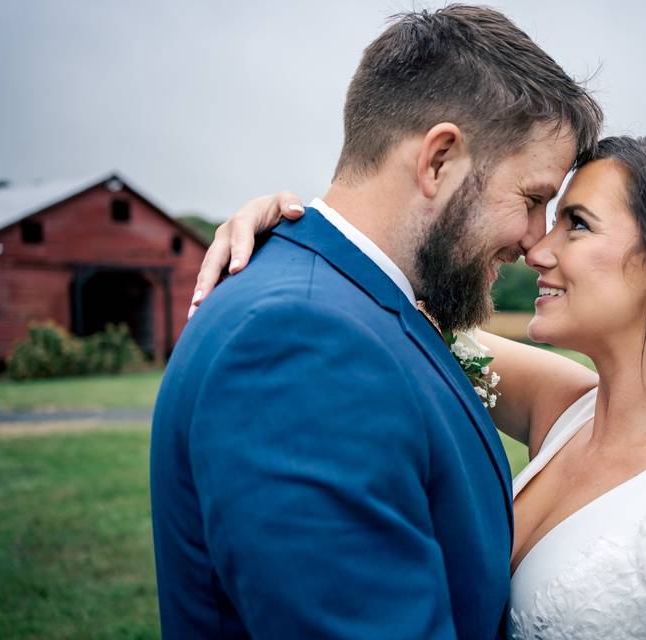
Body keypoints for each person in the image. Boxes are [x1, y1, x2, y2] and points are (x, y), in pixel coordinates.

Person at [201, 135, 646, 638]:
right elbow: (376, 302)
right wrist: (299, 231)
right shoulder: (571, 409)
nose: (537, 249)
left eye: (575, 223)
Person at [149, 6, 602, 639]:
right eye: (532, 199)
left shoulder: (357, 306)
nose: (534, 240)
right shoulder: (299, 342)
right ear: (439, 161)